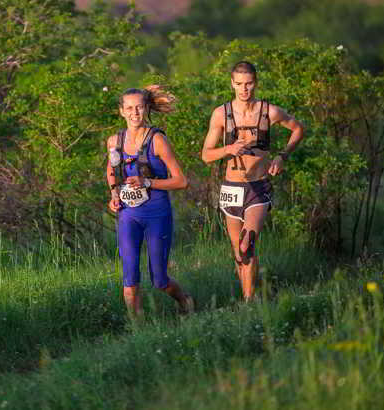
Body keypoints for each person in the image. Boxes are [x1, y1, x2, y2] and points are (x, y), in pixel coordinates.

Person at [201, 61, 305, 301]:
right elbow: (206, 155)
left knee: (247, 244)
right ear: (232, 84)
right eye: (239, 84)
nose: (244, 89)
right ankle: (250, 296)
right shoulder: (221, 114)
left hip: (258, 187)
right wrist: (228, 149)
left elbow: (298, 129)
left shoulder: (269, 111)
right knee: (239, 253)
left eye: (248, 84)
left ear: (255, 83)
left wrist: (282, 155)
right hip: (231, 188)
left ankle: (247, 305)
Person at [106, 86, 194, 319]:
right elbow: (112, 173)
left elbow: (181, 181)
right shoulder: (114, 141)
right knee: (129, 277)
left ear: (146, 108)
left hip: (157, 214)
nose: (134, 112)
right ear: (121, 111)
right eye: (129, 108)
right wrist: (114, 195)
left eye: (139, 107)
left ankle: (185, 300)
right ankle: (137, 332)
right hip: (128, 214)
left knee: (159, 280)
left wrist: (148, 183)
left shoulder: (157, 140)